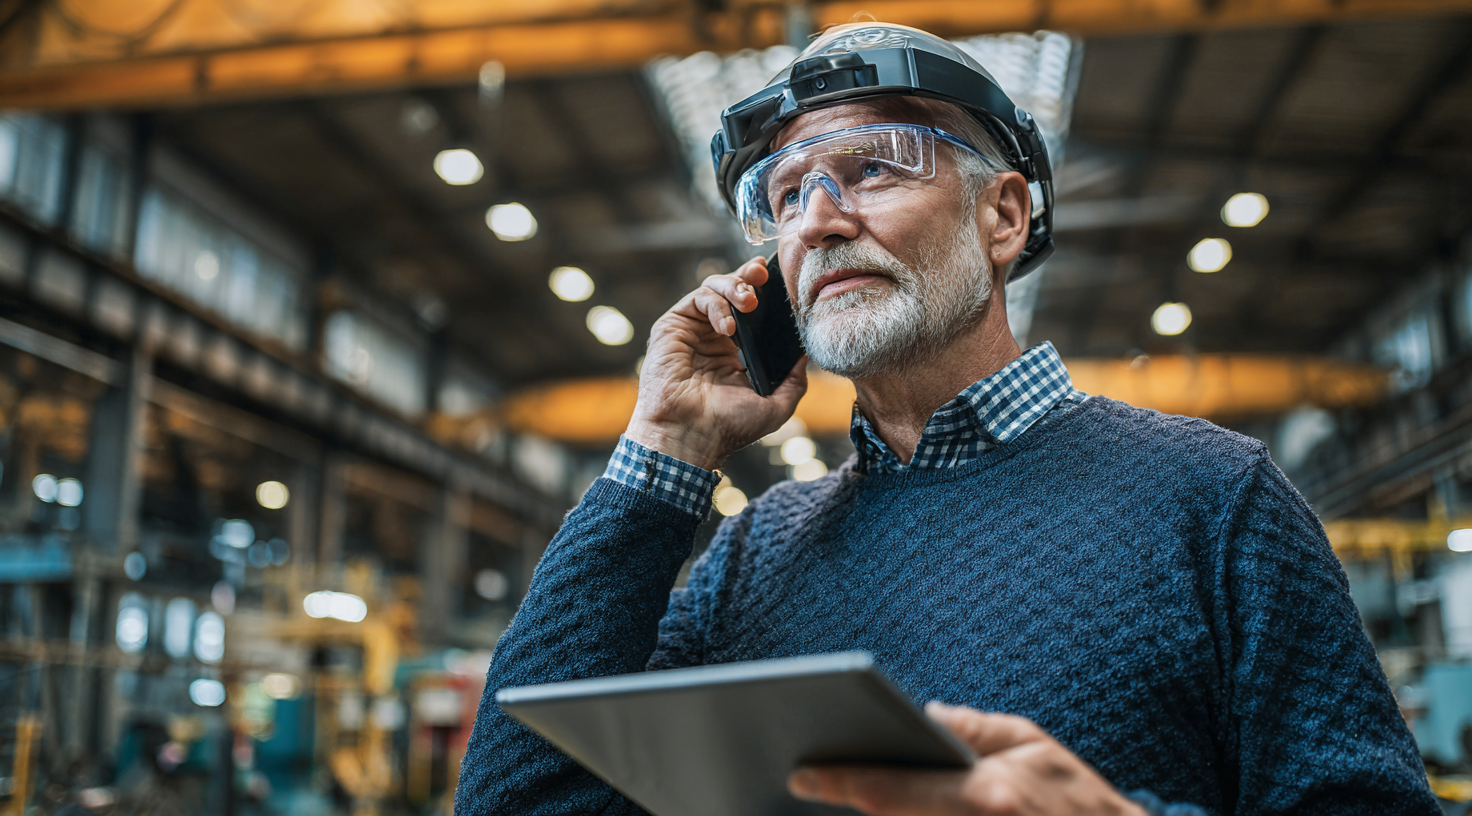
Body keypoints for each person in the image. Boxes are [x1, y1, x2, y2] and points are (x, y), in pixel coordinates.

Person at [456, 22, 1438, 816]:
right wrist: (661, 452)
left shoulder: (1212, 500)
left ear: (1002, 218)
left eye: (872, 167)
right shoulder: (752, 555)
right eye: (785, 192)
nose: (817, 220)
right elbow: (518, 797)